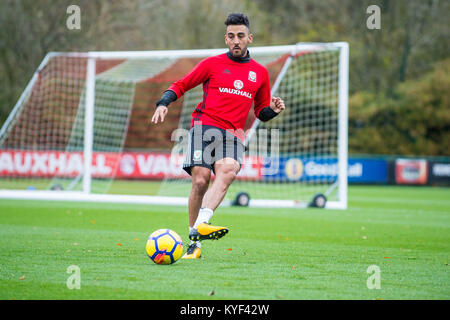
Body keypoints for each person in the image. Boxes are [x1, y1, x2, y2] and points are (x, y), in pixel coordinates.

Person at [151, 13, 285, 259]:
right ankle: (195, 242)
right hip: (204, 126)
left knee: (228, 171)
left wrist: (272, 111)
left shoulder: (260, 73)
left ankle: (199, 227)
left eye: (241, 36)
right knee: (200, 180)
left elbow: (260, 113)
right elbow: (181, 84)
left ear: (250, 39)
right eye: (231, 36)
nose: (236, 41)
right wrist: (163, 102)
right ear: (226, 39)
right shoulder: (211, 64)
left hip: (233, 134)